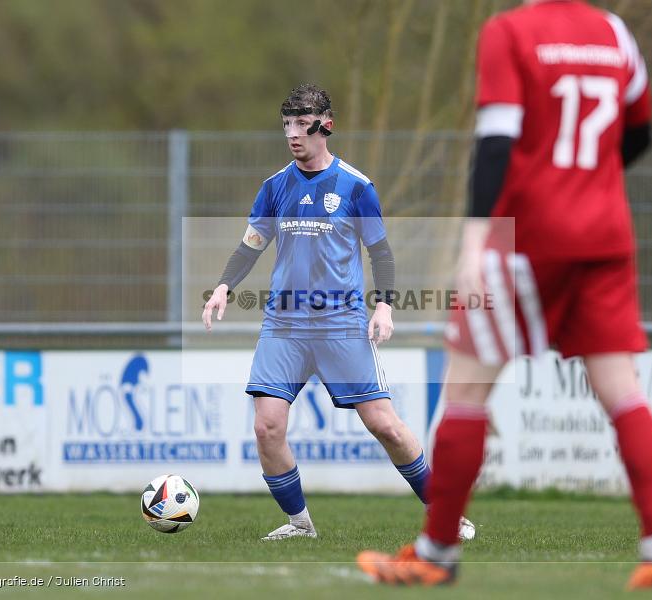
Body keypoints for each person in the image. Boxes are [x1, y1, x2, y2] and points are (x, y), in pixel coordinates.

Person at [357, 0, 652, 589]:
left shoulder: (509, 32)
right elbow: (640, 133)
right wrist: (587, 182)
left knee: (466, 390)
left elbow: (496, 142)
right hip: (605, 235)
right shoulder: (615, 33)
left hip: (526, 237)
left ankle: (436, 552)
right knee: (622, 390)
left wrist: (475, 237)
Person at [203, 84, 474, 541]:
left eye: (302, 124)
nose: (292, 133)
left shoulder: (356, 186)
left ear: (325, 125)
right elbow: (251, 246)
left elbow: (380, 253)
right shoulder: (274, 187)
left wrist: (383, 306)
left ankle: (447, 514)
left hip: (341, 325)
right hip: (284, 325)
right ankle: (300, 525)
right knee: (267, 427)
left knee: (385, 426)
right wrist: (224, 286)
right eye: (286, 124)